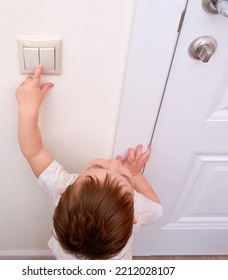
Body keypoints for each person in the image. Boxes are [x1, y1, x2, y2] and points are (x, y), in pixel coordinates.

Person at [16, 65, 162, 259]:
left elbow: (33, 152)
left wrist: (27, 109)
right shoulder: (133, 207)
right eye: (124, 178)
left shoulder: (64, 188)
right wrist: (135, 173)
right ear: (133, 220)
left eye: (99, 166)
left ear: (66, 190)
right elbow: (156, 206)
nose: (116, 163)